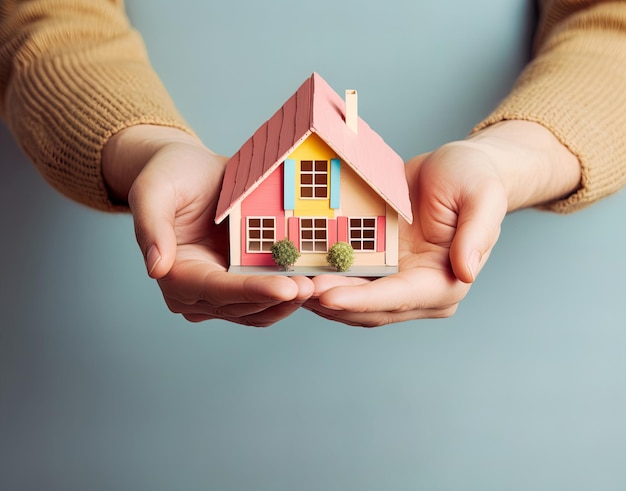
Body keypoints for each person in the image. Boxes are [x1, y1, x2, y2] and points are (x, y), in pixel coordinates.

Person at [1, 0, 624, 327]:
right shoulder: (296, 191)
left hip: (544, 301)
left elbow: (611, 23)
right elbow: (47, 13)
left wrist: (511, 159)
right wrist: (143, 150)